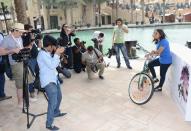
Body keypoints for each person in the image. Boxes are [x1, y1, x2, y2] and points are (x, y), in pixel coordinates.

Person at [37, 35, 66, 130]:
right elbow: (52, 65)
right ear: (49, 45)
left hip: (54, 78)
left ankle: (56, 112)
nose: (54, 48)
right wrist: (57, 54)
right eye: (53, 46)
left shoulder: (47, 52)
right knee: (52, 102)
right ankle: (49, 124)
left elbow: (54, 64)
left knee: (59, 97)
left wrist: (59, 56)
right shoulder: (42, 54)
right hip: (48, 81)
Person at [0, 23, 26, 106]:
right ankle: (20, 102)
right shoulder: (7, 39)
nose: (22, 34)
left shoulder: (19, 38)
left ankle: (25, 100)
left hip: (23, 61)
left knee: (25, 81)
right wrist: (12, 50)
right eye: (20, 32)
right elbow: (1, 52)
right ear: (15, 30)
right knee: (19, 84)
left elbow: (20, 48)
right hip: (15, 63)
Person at [0, 32, 20, 101]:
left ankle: (1, 94)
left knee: (2, 76)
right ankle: (1, 95)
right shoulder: (5, 38)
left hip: (3, 59)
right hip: (3, 59)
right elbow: (1, 51)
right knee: (2, 77)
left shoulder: (1, 35)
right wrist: (12, 50)